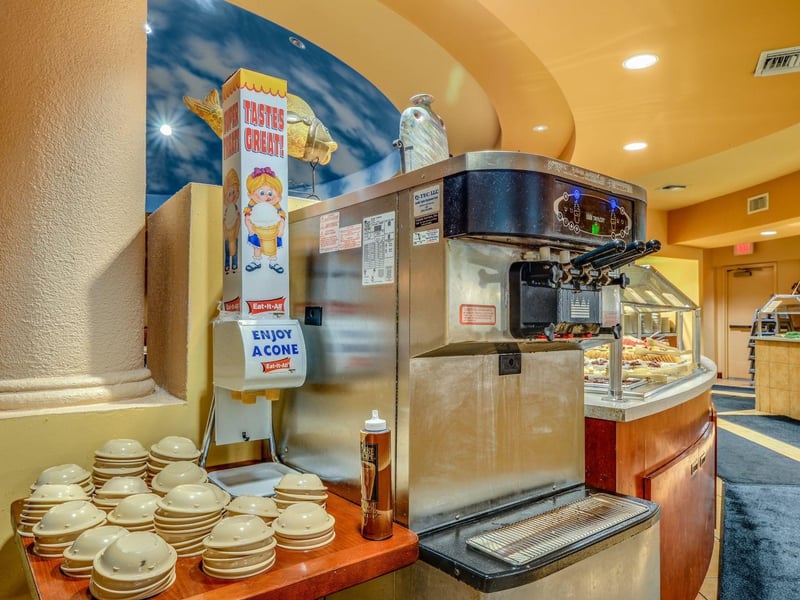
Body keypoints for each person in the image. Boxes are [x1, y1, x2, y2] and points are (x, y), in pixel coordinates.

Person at [244, 166, 286, 274]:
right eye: (262, 193)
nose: (267, 196)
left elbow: (282, 218)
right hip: (256, 229)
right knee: (257, 246)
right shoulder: (252, 204)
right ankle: (256, 261)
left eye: (270, 193)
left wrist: (281, 230)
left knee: (273, 246)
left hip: (273, 229)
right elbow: (247, 216)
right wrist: (250, 229)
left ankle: (273, 262)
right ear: (251, 194)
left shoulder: (276, 205)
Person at [222, 168, 241, 274]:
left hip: (234, 234)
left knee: (235, 250)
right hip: (228, 234)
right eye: (230, 193)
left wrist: (236, 231)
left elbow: (238, 220)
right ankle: (227, 264)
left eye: (236, 192)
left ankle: (234, 264)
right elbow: (224, 222)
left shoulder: (236, 208)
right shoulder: (226, 209)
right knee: (227, 250)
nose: (234, 195)